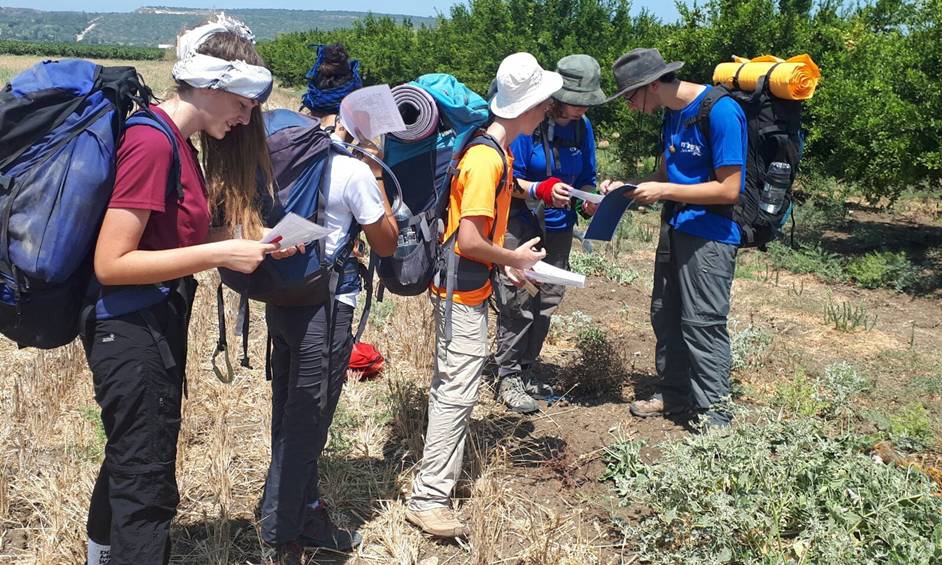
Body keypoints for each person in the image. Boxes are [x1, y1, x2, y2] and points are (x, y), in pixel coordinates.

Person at [82, 17, 293, 565]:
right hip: (129, 330)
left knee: (131, 460)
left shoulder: (178, 143)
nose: (247, 116)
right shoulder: (153, 144)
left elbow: (177, 233)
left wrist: (251, 239)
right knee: (146, 486)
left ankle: (99, 556)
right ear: (210, 85)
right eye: (243, 102)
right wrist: (220, 255)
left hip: (151, 319)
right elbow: (112, 262)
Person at [404, 52, 559, 538]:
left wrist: (505, 268)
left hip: (466, 287)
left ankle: (433, 481)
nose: (549, 110)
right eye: (545, 103)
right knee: (457, 391)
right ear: (529, 106)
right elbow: (468, 240)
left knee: (452, 383)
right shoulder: (486, 159)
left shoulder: (494, 151)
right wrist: (514, 260)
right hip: (459, 294)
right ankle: (429, 498)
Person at [259, 78, 399, 565]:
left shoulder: (286, 163)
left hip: (283, 298)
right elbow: (386, 242)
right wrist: (375, 168)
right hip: (326, 305)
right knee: (309, 420)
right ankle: (282, 532)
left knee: (288, 412)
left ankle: (306, 511)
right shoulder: (353, 171)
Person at [603, 48, 747, 430]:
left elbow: (730, 189)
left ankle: (715, 416)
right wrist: (628, 188)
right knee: (665, 314)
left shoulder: (720, 112)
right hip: (676, 227)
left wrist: (665, 190)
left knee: (703, 323)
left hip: (711, 235)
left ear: (652, 85)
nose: (631, 106)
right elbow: (666, 171)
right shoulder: (672, 115)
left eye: (631, 96)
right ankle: (674, 394)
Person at [493, 54, 606, 414]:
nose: (583, 111)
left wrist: (589, 199)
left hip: (559, 227)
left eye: (588, 104)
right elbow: (508, 180)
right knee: (519, 301)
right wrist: (540, 189)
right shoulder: (528, 123)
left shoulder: (581, 128)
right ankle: (507, 375)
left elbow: (586, 174)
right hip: (522, 224)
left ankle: (527, 369)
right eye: (578, 103)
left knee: (547, 300)